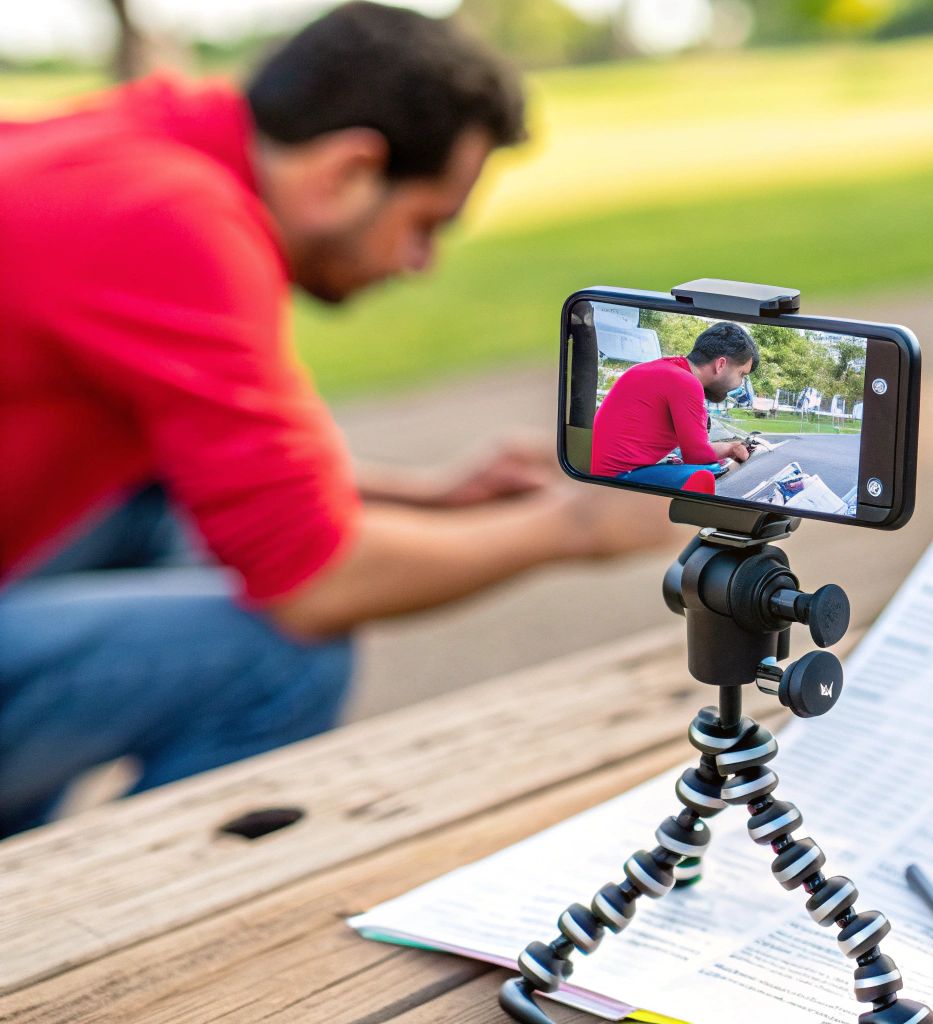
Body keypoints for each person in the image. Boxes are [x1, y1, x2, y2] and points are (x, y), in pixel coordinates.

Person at [0, 2, 677, 838]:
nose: (420, 264)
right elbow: (312, 584)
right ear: (349, 171)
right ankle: (87, 909)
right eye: (426, 224)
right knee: (282, 659)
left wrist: (432, 499)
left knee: (171, 520)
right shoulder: (176, 219)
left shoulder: (138, 139)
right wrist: (577, 526)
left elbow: (210, 475)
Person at [589, 323, 759, 492]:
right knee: (713, 473)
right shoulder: (686, 383)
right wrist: (730, 449)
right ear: (720, 364)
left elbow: (692, 449)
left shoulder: (667, 370)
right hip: (615, 482)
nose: (739, 383)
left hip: (600, 476)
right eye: (741, 374)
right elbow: (698, 456)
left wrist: (731, 448)